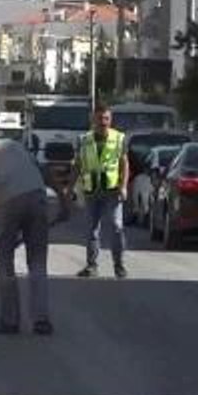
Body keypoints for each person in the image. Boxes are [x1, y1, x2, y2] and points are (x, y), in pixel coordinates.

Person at [0, 137, 54, 336]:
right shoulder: (13, 144)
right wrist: (64, 200)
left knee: (3, 264)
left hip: (8, 200)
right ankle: (41, 321)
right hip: (38, 195)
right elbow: (42, 171)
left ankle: (9, 321)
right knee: (38, 263)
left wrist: (5, 231)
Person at [72, 103, 129, 279]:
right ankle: (91, 266)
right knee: (91, 230)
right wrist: (70, 190)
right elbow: (78, 165)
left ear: (110, 119)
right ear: (93, 119)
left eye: (106, 118)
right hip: (91, 192)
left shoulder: (119, 138)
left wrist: (123, 186)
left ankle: (119, 266)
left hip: (112, 191)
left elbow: (124, 164)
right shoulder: (84, 139)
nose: (103, 122)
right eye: (100, 118)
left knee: (116, 227)